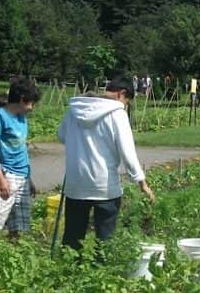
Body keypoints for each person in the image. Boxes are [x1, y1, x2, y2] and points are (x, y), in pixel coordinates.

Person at [57, 75, 156, 251]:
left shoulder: (74, 110)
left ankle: (68, 273)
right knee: (105, 239)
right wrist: (142, 183)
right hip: (104, 186)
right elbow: (128, 152)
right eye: (128, 102)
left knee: (72, 238)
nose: (126, 106)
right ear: (121, 94)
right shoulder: (117, 114)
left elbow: (62, 136)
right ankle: (101, 273)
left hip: (75, 184)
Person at [0, 78, 40, 238]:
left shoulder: (22, 118)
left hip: (22, 176)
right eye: (32, 103)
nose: (33, 108)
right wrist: (0, 179)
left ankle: (13, 256)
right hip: (6, 173)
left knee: (18, 225)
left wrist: (29, 178)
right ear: (22, 99)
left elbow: (22, 149)